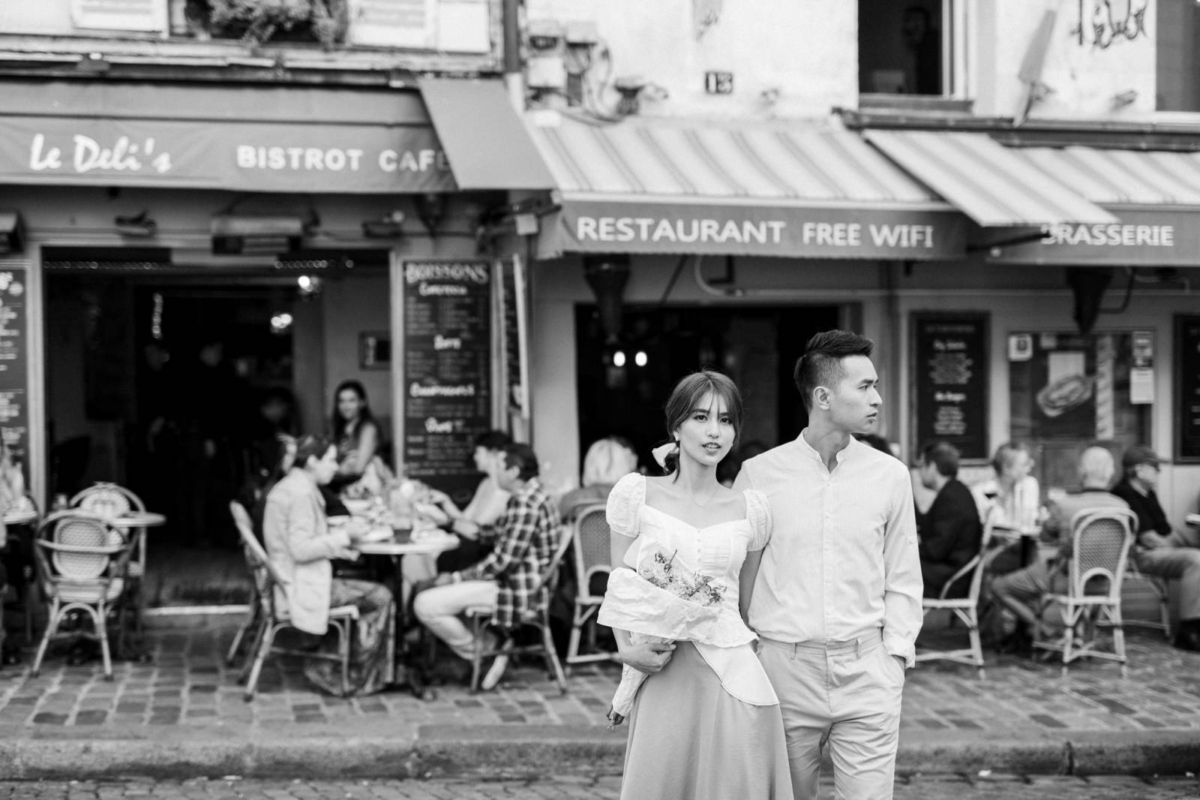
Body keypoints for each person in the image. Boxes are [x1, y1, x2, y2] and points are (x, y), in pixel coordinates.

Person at [734, 330, 922, 800]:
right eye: (864, 387)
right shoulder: (760, 474)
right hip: (783, 670)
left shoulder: (891, 476)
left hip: (868, 671)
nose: (877, 398)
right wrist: (751, 651)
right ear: (822, 396)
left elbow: (903, 571)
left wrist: (895, 653)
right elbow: (736, 572)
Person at [603, 371, 791, 800]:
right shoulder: (637, 494)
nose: (714, 432)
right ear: (676, 426)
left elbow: (744, 606)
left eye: (726, 420)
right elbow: (621, 589)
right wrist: (626, 650)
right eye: (702, 417)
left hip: (733, 667)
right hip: (664, 667)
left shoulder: (752, 509)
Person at [413, 443, 561, 691]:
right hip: (517, 584)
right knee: (431, 590)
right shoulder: (533, 495)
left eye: (499, 467)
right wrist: (448, 521)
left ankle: (484, 651)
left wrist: (456, 578)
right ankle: (488, 644)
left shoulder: (525, 503)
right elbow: (489, 533)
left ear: (513, 471)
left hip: (515, 590)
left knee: (424, 603)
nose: (495, 474)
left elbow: (502, 561)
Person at [262, 435, 394, 696]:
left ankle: (335, 661)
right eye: (331, 460)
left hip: (293, 578)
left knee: (366, 588)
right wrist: (345, 536)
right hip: (299, 586)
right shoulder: (300, 494)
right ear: (312, 461)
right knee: (381, 596)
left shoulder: (294, 486)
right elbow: (301, 550)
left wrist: (340, 544)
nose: (336, 467)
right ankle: (348, 673)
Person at [991, 446, 1129, 651]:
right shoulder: (1123, 508)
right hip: (1107, 583)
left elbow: (1045, 536)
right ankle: (1083, 636)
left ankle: (1047, 631)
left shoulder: (1066, 506)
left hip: (1066, 580)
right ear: (1110, 473)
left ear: (1081, 472)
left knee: (999, 587)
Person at [1112, 445, 1200, 652]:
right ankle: (1189, 632)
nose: (1159, 472)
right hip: (1139, 555)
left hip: (1157, 552)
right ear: (1139, 470)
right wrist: (1183, 551)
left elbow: (1166, 529)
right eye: (1155, 467)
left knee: (1195, 556)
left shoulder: (1148, 493)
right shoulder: (1124, 495)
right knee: (1195, 561)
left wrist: (1187, 544)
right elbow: (1149, 539)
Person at [916, 442, 983, 599]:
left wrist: (904, 552)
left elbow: (935, 550)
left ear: (932, 466)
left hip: (951, 578)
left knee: (888, 570)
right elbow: (929, 527)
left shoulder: (951, 497)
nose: (919, 472)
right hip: (952, 571)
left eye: (922, 466)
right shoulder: (955, 490)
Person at [329, 380, 391, 498]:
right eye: (342, 401)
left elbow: (358, 468)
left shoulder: (368, 428)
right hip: (346, 489)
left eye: (352, 400)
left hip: (366, 491)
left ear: (362, 402)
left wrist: (336, 468)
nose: (346, 406)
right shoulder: (340, 428)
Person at [558, 436, 639, 520]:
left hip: (585, 533)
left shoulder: (571, 498)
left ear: (590, 465)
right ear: (623, 466)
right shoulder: (634, 500)